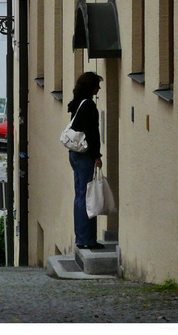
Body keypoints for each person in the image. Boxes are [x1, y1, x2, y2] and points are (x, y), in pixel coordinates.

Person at [67, 71, 104, 250]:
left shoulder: (76, 103)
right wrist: (97, 155)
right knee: (87, 196)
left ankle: (81, 237)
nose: (99, 88)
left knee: (80, 195)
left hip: (75, 154)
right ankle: (86, 239)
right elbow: (92, 133)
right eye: (97, 85)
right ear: (91, 87)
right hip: (85, 155)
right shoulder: (88, 105)